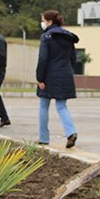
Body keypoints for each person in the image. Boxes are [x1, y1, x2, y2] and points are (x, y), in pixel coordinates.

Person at [35, 10, 80, 148]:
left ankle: (43, 138)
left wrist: (40, 77)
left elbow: (43, 58)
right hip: (65, 74)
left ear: (49, 21)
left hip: (49, 76)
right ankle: (71, 132)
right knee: (61, 106)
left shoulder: (46, 36)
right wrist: (67, 70)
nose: (42, 23)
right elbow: (73, 58)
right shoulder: (68, 37)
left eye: (43, 20)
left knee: (44, 105)